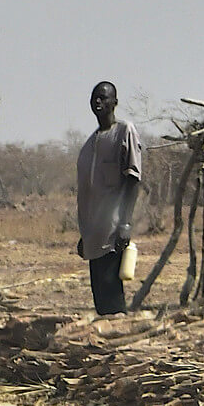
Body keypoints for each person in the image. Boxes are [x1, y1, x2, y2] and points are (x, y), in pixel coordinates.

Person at [76, 80, 142, 316]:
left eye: (104, 97)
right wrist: (85, 235)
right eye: (95, 97)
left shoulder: (124, 132)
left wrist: (125, 223)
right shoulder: (89, 145)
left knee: (113, 294)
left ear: (115, 102)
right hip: (94, 236)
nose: (98, 102)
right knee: (100, 296)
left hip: (113, 233)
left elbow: (132, 180)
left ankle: (119, 339)